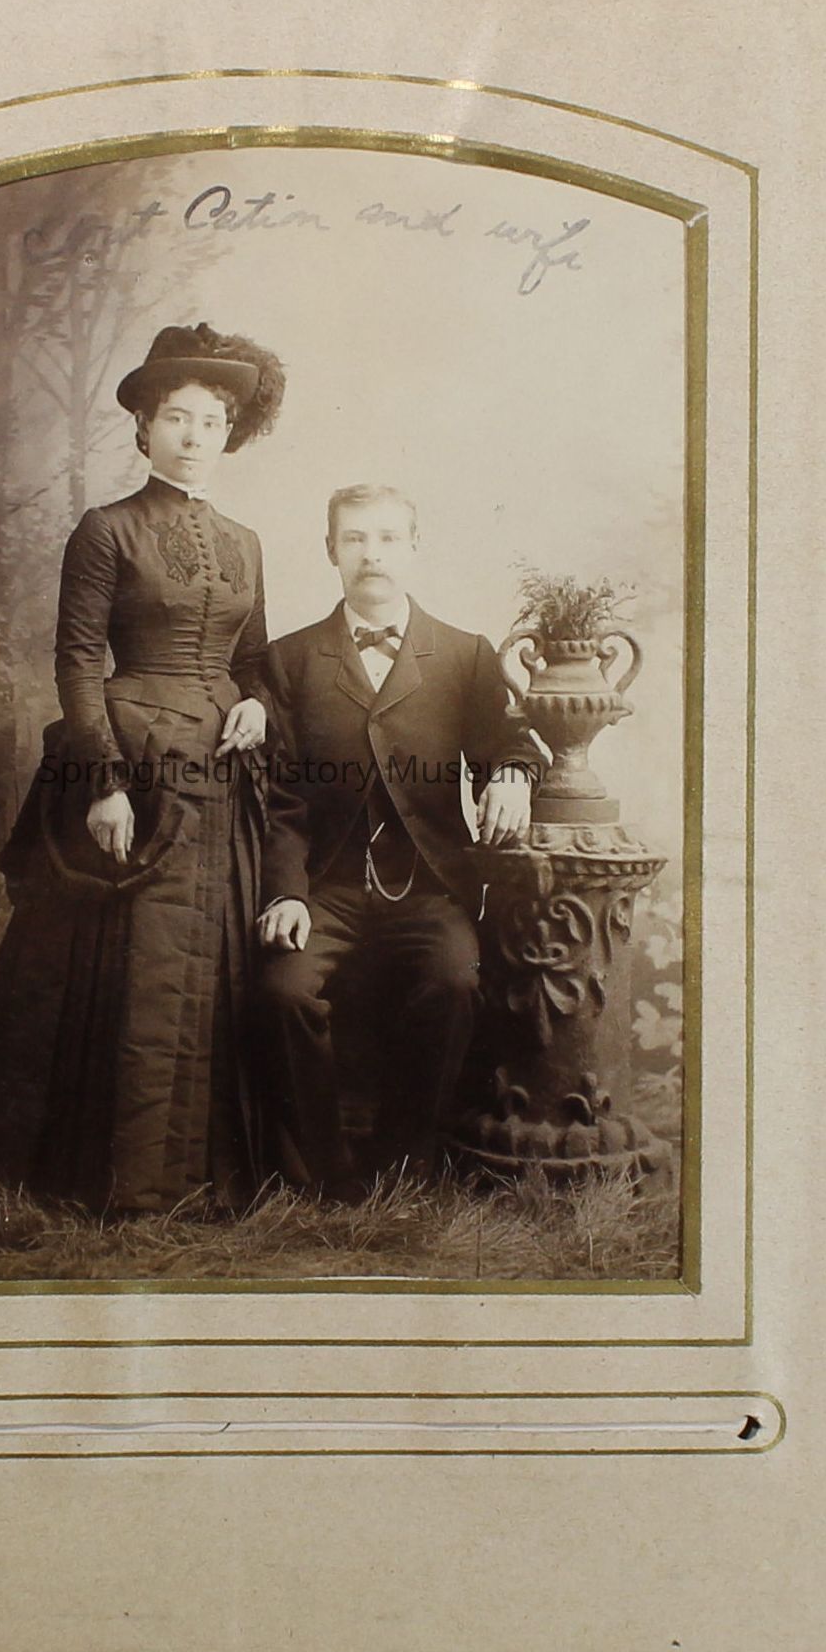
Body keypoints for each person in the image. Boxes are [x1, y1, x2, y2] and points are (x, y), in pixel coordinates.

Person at [0, 323, 283, 1217]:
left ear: (227, 435)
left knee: (210, 961)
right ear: (144, 428)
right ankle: (112, 1179)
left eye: (210, 422)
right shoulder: (107, 530)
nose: (194, 436)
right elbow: (76, 660)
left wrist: (256, 702)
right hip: (134, 763)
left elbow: (253, 659)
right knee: (126, 967)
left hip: (220, 774)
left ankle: (195, 1177)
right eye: (177, 418)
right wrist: (104, 783)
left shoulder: (246, 542)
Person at [255, 484, 542, 1195]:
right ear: (330, 551)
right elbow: (279, 797)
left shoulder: (465, 655)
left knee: (454, 980)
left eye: (387, 538)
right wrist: (286, 894)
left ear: (413, 548)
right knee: (283, 990)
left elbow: (508, 741)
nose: (371, 555)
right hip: (326, 887)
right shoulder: (290, 659)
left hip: (427, 889)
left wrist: (511, 773)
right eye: (354, 539)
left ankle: (401, 1165)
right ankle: (324, 1174)